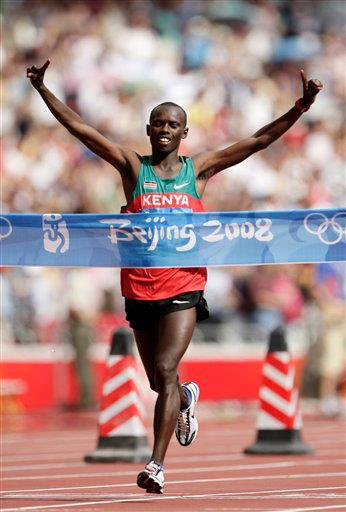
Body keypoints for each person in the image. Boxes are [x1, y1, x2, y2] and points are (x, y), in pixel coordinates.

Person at [27, 60, 322, 494]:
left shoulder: (197, 170)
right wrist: (42, 89)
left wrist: (301, 106)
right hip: (139, 287)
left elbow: (258, 141)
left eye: (173, 125)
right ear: (149, 129)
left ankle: (156, 464)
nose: (165, 130)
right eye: (159, 123)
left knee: (166, 366)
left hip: (184, 284)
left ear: (185, 134)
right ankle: (185, 398)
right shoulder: (132, 168)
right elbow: (81, 130)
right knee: (158, 382)